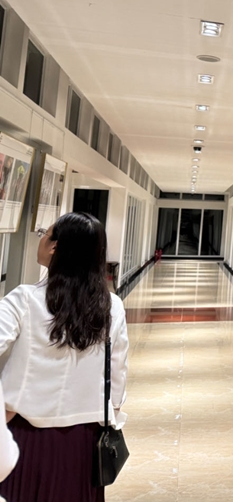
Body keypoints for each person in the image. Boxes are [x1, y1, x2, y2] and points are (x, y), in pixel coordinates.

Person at [0, 212, 128, 502]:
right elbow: (117, 372)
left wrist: (5, 403)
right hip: (86, 441)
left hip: (26, 436)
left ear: (55, 247)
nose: (42, 238)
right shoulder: (112, 307)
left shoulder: (24, 300)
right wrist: (113, 413)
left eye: (45, 232)